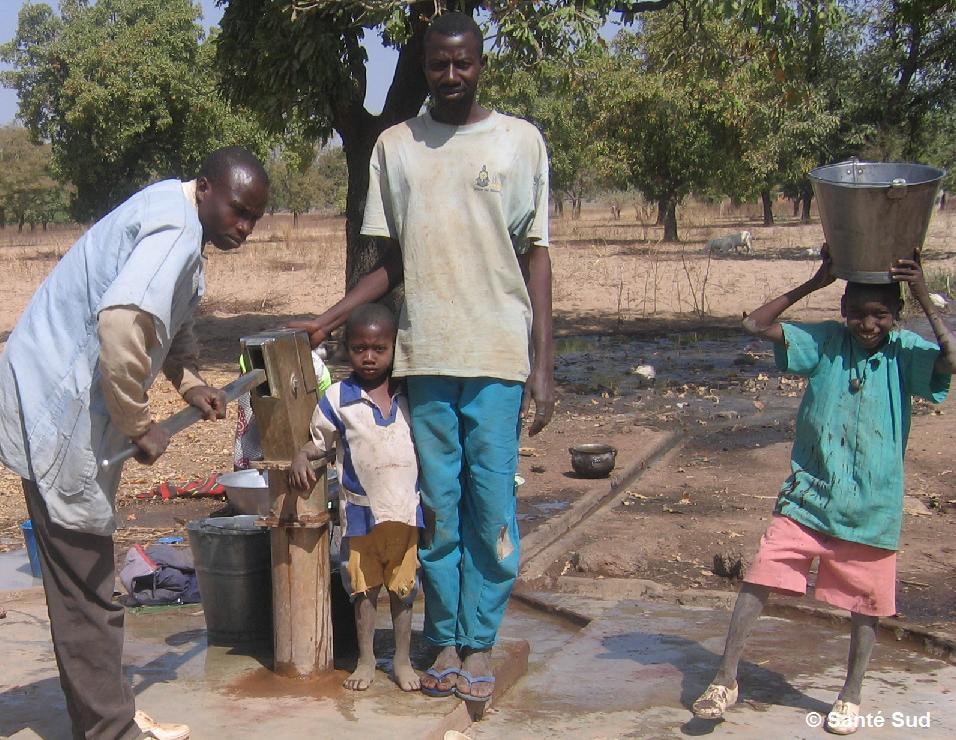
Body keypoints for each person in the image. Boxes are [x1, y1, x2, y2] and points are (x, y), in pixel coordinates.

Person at [288, 11, 554, 703]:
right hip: (426, 355)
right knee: (432, 508)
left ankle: (481, 638)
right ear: (425, 64)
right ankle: (444, 637)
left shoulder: (520, 142)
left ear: (481, 62)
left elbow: (538, 257)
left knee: (490, 508)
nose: (450, 74)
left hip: (498, 354)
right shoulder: (395, 148)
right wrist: (330, 318)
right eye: (438, 62)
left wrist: (543, 363)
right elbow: (392, 264)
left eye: (463, 61)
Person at [0, 147, 269, 740]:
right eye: (238, 211)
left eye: (254, 217)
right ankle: (109, 730)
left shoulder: (176, 219)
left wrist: (192, 381)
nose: (244, 228)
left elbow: (168, 316)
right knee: (85, 584)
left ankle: (104, 714)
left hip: (56, 397)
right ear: (205, 187)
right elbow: (123, 326)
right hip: (62, 410)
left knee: (82, 577)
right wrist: (138, 423)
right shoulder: (174, 229)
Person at [691, 247, 954, 735]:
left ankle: (850, 694)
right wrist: (815, 281)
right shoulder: (826, 342)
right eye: (857, 313)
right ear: (842, 311)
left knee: (867, 604)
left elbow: (952, 358)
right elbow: (754, 325)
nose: (867, 324)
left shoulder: (907, 353)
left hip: (872, 503)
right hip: (809, 492)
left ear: (896, 315)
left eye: (879, 314)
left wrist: (922, 294)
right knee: (760, 578)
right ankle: (725, 677)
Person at [289, 303, 421, 692]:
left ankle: (401, 659)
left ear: (394, 348)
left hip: (406, 513)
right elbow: (319, 445)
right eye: (360, 348)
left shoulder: (409, 394)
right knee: (363, 591)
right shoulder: (337, 399)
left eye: (379, 348)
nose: (369, 357)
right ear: (348, 348)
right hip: (361, 515)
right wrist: (301, 455)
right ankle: (366, 659)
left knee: (404, 590)